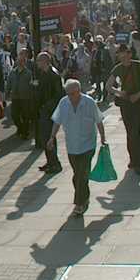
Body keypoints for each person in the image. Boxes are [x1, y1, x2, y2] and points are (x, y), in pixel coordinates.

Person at [47, 79, 106, 216]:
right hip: (72, 146)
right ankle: (84, 198)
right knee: (77, 176)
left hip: (88, 144)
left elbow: (98, 120)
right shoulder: (63, 103)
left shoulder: (89, 102)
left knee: (81, 174)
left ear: (79, 91)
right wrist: (52, 137)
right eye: (68, 93)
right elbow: (57, 121)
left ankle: (78, 204)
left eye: (73, 93)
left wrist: (103, 137)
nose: (70, 96)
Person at [105, 44, 140, 174]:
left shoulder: (138, 66)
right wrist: (120, 93)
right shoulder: (118, 69)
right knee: (130, 132)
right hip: (126, 104)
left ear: (130, 54)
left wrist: (138, 95)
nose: (123, 56)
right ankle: (133, 159)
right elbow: (108, 86)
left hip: (138, 103)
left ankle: (138, 163)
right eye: (120, 54)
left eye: (125, 53)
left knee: (135, 132)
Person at [35, 52, 64, 173]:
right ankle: (50, 161)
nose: (37, 63)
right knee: (44, 137)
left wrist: (47, 106)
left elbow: (58, 95)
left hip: (50, 111)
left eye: (38, 61)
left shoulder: (53, 74)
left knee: (49, 136)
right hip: (44, 109)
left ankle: (55, 163)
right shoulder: (43, 73)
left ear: (45, 61)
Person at [7, 49, 35, 139]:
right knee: (14, 115)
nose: (20, 62)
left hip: (25, 97)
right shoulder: (12, 72)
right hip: (15, 97)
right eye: (18, 61)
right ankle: (21, 128)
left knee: (25, 115)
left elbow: (32, 85)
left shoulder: (29, 73)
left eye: (22, 61)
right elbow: (9, 83)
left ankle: (25, 133)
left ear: (24, 62)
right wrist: (7, 93)